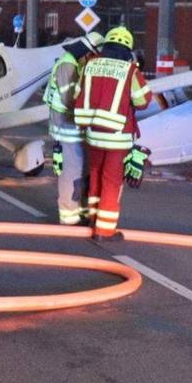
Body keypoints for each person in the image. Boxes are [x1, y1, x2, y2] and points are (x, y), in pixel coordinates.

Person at [72, 26, 152, 241]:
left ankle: (92, 218)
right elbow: (143, 101)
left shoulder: (90, 65)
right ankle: (105, 230)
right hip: (117, 136)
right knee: (111, 181)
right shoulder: (130, 71)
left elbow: (78, 94)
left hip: (93, 134)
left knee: (95, 174)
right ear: (128, 49)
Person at [43, 31, 103, 226]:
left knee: (81, 170)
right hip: (66, 126)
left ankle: (80, 211)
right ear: (89, 52)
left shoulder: (72, 62)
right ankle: (69, 216)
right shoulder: (68, 65)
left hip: (71, 125)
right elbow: (70, 100)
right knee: (72, 172)